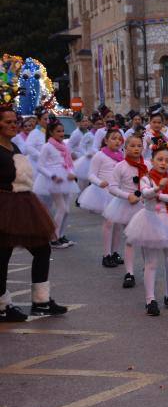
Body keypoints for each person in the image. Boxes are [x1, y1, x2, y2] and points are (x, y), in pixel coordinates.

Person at [0, 103, 68, 322]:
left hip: (23, 204)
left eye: (14, 122)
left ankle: (41, 301)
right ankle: (2, 306)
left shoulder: (14, 147)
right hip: (4, 207)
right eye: (7, 122)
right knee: (2, 257)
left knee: (41, 249)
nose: (13, 125)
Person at [124, 138, 168, 316]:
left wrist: (160, 195)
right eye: (160, 159)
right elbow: (145, 194)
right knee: (151, 263)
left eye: (167, 160)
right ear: (152, 161)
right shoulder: (146, 178)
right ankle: (150, 299)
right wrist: (156, 189)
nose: (163, 163)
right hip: (150, 221)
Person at [104, 133, 147, 289]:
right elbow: (112, 187)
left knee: (145, 241)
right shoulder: (120, 166)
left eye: (139, 146)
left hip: (144, 206)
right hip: (127, 207)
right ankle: (129, 273)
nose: (136, 149)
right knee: (130, 239)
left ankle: (147, 267)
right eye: (132, 146)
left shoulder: (147, 164)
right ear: (125, 147)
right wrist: (127, 196)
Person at [78, 127, 125, 267]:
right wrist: (100, 183)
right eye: (113, 138)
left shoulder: (121, 155)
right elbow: (91, 175)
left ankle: (115, 252)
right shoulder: (100, 155)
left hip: (118, 193)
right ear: (106, 140)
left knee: (118, 224)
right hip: (104, 193)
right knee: (109, 223)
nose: (117, 141)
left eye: (119, 139)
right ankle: (106, 255)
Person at [32, 120, 80, 249]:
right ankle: (54, 237)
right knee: (62, 208)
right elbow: (40, 166)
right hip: (53, 180)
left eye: (62, 131)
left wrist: (71, 172)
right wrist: (52, 176)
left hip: (65, 179)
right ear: (51, 132)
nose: (62, 133)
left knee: (67, 210)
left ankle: (61, 234)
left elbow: (68, 163)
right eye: (58, 131)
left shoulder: (64, 146)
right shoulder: (47, 146)